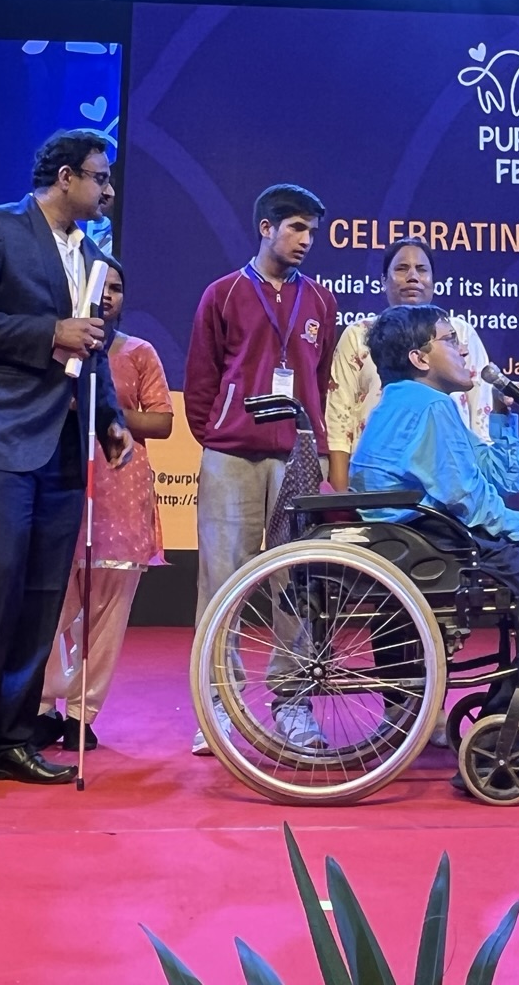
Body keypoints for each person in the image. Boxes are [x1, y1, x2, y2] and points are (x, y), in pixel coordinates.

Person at [0, 130, 131, 798]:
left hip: (61, 448)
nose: (107, 190)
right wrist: (48, 333)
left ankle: (12, 736)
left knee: (43, 597)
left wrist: (109, 422)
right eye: (99, 178)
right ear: (65, 176)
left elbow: (90, 350)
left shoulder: (94, 256)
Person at [350, 304, 519, 795]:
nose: (464, 348)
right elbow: (471, 504)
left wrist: (508, 415)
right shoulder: (427, 408)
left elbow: (497, 479)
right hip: (433, 542)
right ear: (420, 358)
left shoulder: (409, 403)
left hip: (430, 537)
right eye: (450, 339)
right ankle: (514, 739)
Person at [182, 182, 339, 755]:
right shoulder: (222, 294)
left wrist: (312, 443)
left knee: (295, 582)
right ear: (265, 227)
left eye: (312, 232)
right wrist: (224, 433)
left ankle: (292, 706)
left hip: (296, 453)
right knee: (221, 583)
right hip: (231, 455)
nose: (306, 241)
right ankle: (216, 707)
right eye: (296, 228)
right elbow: (201, 383)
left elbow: (318, 384)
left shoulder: (320, 301)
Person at [37, 259, 170, 751]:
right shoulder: (54, 353)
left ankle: (81, 713)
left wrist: (101, 409)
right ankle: (43, 705)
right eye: (101, 287)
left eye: (117, 287)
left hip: (119, 491)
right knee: (48, 608)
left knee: (106, 615)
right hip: (58, 486)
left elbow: (161, 424)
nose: (109, 295)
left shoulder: (138, 352)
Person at [324, 239, 495, 491]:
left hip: (451, 481)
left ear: (434, 281)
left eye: (422, 269)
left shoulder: (462, 335)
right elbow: (339, 420)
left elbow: (480, 420)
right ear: (384, 280)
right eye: (402, 268)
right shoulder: (360, 335)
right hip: (377, 485)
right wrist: (339, 502)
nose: (413, 277)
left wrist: (481, 497)